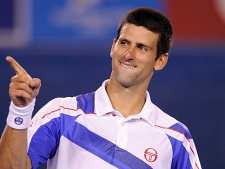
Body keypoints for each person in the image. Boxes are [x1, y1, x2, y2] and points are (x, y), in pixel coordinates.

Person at [0, 7, 202, 169]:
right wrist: (20, 111)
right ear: (113, 46)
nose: (128, 54)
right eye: (124, 43)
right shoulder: (61, 114)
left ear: (160, 60)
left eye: (142, 48)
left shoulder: (176, 137)